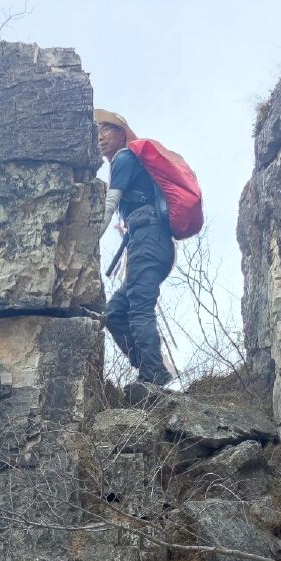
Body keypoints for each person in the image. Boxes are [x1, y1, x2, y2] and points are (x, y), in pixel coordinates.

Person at [94, 108, 176, 396]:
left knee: (140, 309)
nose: (100, 135)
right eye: (99, 130)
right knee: (115, 312)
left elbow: (109, 204)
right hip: (148, 242)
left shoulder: (125, 158)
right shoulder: (129, 162)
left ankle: (153, 377)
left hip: (149, 240)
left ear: (122, 134)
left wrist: (89, 240)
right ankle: (150, 367)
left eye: (107, 129)